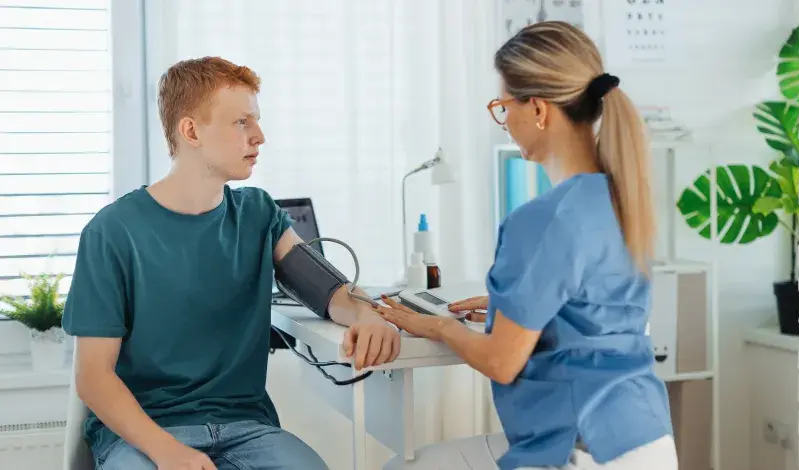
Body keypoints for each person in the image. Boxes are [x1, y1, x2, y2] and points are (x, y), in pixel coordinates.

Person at [62, 56, 401, 470]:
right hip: (145, 434)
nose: (259, 136)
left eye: (256, 121)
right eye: (242, 122)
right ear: (191, 131)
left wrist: (365, 315)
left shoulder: (258, 215)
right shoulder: (113, 232)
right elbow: (93, 377)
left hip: (245, 427)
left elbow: (327, 290)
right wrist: (166, 451)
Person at [375, 21, 678, 470]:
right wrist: (506, 307)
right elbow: (590, 309)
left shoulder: (540, 220)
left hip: (579, 447)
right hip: (647, 439)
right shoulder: (621, 198)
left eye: (503, 106)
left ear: (538, 109)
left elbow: (502, 362)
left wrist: (439, 326)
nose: (504, 121)